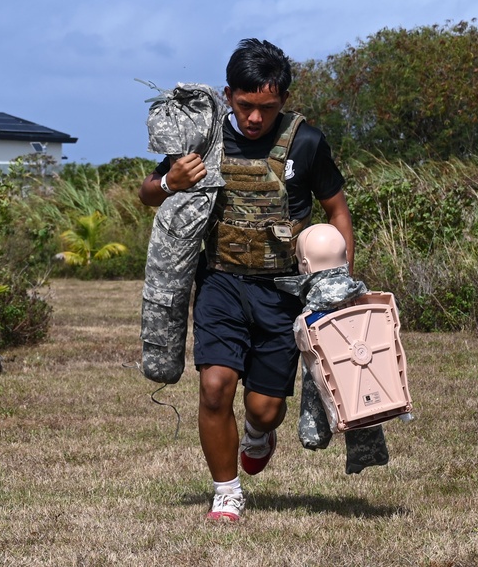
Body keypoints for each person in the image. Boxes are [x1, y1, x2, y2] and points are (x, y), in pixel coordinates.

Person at [139, 38, 354, 522]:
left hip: (282, 293)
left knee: (263, 408)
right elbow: (149, 193)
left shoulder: (306, 142)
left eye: (268, 108)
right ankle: (226, 492)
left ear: (283, 102)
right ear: (228, 95)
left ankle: (259, 435)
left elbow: (336, 210)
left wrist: (339, 284)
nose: (256, 118)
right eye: (245, 106)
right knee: (214, 387)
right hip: (220, 284)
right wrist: (173, 179)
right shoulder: (205, 140)